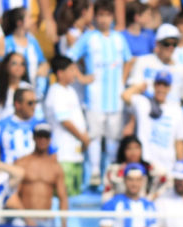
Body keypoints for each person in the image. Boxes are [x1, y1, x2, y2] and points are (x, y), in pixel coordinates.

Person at [68, 0, 133, 187]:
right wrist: (81, 76)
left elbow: (129, 60)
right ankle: (95, 171)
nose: (104, 19)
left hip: (115, 97)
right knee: (95, 135)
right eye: (101, 15)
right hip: (94, 97)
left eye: (107, 15)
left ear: (112, 17)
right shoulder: (88, 37)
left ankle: (110, 171)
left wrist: (122, 80)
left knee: (113, 137)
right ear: (95, 17)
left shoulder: (119, 38)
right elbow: (71, 57)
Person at [122, 71, 183, 173]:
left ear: (169, 88)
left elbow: (179, 142)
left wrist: (181, 166)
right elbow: (125, 95)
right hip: (146, 164)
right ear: (154, 85)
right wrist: (140, 86)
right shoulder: (143, 103)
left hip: (167, 166)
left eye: (165, 85)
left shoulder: (177, 110)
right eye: (159, 84)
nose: (161, 88)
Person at [44, 55, 88, 198]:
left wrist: (84, 138)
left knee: (75, 194)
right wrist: (83, 138)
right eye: (71, 70)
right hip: (62, 154)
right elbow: (64, 120)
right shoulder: (55, 91)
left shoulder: (71, 91)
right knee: (63, 194)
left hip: (75, 153)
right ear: (60, 73)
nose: (74, 73)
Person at [14, 124, 69, 227]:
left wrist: (64, 224)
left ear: (50, 140)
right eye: (40, 136)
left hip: (46, 221)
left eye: (46, 137)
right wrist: (26, 219)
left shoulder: (55, 167)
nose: (42, 140)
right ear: (34, 138)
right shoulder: (22, 163)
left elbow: (63, 198)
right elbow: (13, 195)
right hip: (24, 220)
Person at [128, 23, 183, 104]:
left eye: (174, 44)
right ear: (157, 43)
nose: (170, 47)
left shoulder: (182, 69)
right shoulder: (143, 62)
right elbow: (133, 91)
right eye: (167, 43)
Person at [101, 135, 170, 202]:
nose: (133, 152)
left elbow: (167, 179)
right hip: (121, 208)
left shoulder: (149, 167)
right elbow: (107, 193)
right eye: (129, 148)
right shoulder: (114, 169)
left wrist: (152, 197)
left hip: (143, 209)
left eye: (137, 148)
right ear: (123, 150)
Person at [2, 7, 50, 100]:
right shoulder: (6, 43)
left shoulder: (32, 41)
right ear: (19, 22)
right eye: (29, 17)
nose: (32, 21)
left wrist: (43, 68)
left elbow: (43, 62)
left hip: (34, 92)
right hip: (12, 94)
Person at [100, 163, 158, 227]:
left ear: (142, 181)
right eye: (130, 179)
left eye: (138, 180)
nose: (134, 184)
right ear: (124, 180)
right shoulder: (111, 204)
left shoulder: (149, 205)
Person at [0, 86, 40, 163]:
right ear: (17, 104)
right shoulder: (1, 126)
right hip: (8, 172)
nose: (34, 106)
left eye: (35, 102)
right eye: (30, 103)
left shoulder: (40, 125)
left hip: (34, 173)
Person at [0, 53, 31, 127]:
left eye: (22, 64)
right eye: (14, 63)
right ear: (6, 66)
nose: (18, 67)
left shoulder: (29, 89)